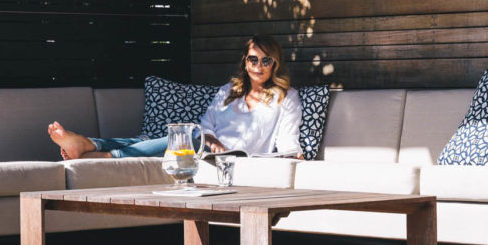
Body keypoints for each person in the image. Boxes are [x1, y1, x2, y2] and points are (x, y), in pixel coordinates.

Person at [47, 34, 303, 160]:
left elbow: (288, 141)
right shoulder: (228, 90)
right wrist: (210, 139)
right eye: (253, 59)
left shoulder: (286, 98)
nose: (258, 66)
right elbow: (206, 126)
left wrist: (295, 155)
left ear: (275, 64)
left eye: (266, 60)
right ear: (245, 61)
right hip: (205, 152)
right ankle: (91, 146)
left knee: (184, 137)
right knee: (171, 139)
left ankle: (97, 151)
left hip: (237, 160)